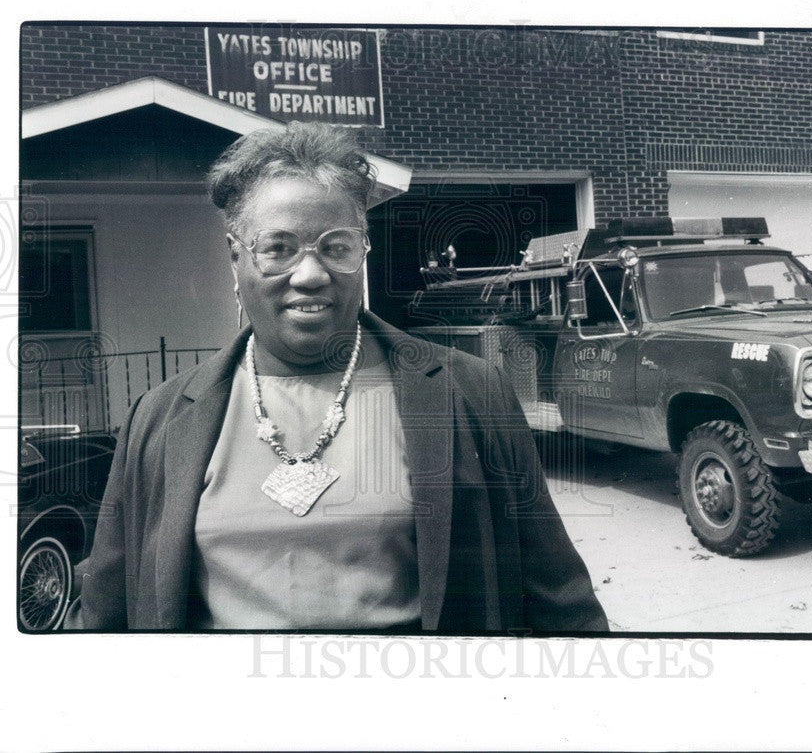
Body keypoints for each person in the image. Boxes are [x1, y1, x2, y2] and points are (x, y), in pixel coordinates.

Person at [72, 121, 607, 633]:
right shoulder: (157, 419)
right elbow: (105, 613)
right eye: (277, 248)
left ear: (363, 253)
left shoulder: (469, 392)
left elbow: (560, 598)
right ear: (235, 258)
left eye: (336, 247)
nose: (310, 275)